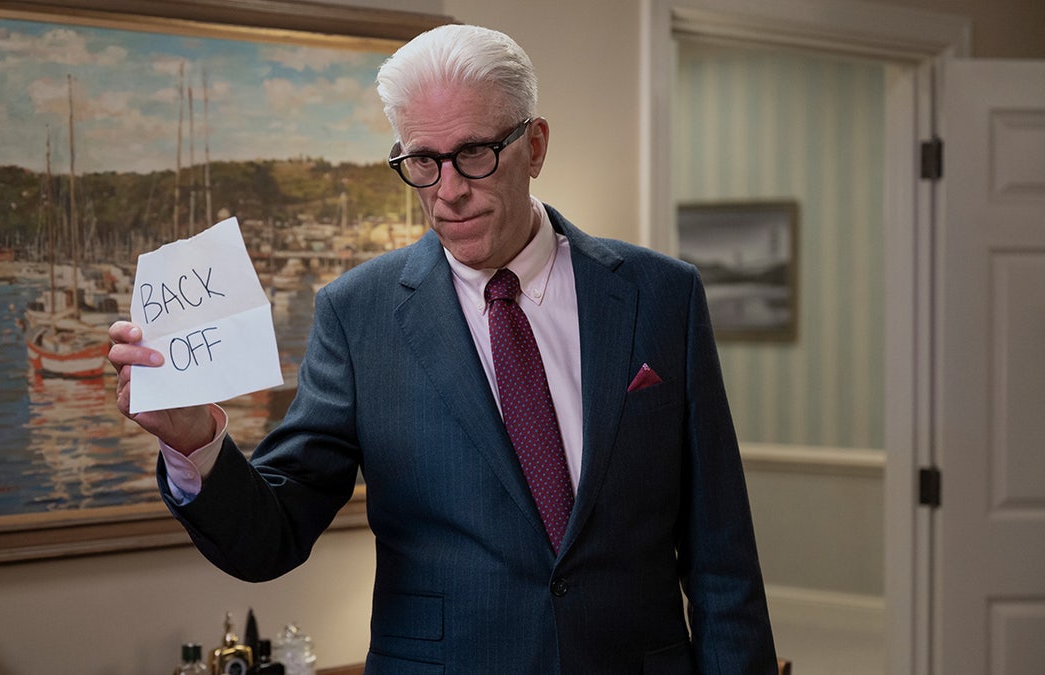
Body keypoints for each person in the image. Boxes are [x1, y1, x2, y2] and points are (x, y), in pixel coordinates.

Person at [110, 23, 777, 674]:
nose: (448, 191)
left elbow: (722, 558)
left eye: (475, 155)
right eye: (423, 162)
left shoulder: (663, 295)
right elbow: (272, 535)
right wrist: (194, 442)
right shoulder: (358, 313)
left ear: (535, 145)